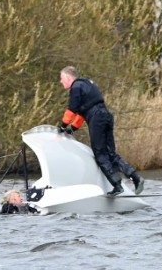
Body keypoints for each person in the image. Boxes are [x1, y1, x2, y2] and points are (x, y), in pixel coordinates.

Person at [56, 66, 144, 196]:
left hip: (97, 118)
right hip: (106, 116)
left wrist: (62, 127)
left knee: (100, 154)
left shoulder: (75, 87)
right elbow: (81, 113)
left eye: (62, 78)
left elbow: (72, 110)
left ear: (68, 78)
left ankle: (117, 186)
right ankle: (135, 178)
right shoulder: (86, 83)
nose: (60, 81)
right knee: (110, 153)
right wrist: (72, 129)